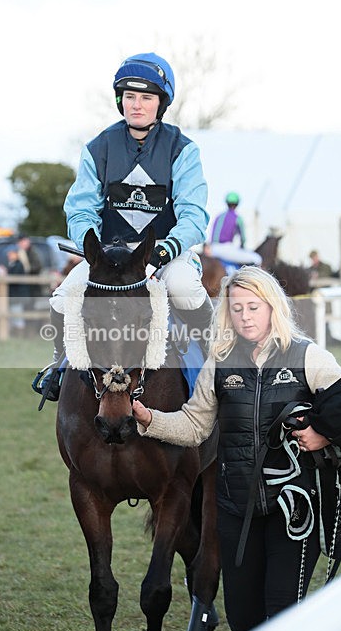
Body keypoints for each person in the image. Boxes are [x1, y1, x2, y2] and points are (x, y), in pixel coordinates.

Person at [133, 267, 341, 631]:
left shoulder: (307, 355)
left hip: (293, 513)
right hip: (233, 509)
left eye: (254, 307)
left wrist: (322, 431)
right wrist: (148, 419)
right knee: (245, 621)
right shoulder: (221, 362)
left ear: (272, 307)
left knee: (281, 619)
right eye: (237, 308)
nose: (246, 316)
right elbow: (194, 425)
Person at [34, 51, 214, 402]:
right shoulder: (98, 148)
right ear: (120, 100)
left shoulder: (183, 150)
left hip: (165, 252)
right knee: (60, 301)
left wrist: (164, 250)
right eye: (129, 97)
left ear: (160, 103)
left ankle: (218, 364)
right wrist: (94, 248)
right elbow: (80, 209)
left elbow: (194, 215)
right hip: (110, 254)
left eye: (146, 98)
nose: (136, 105)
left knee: (184, 288)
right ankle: (57, 367)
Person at [208, 192, 262, 270]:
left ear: (226, 203)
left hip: (213, 248)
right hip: (226, 248)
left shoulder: (219, 216)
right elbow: (243, 238)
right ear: (237, 204)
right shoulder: (237, 218)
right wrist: (242, 247)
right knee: (257, 259)